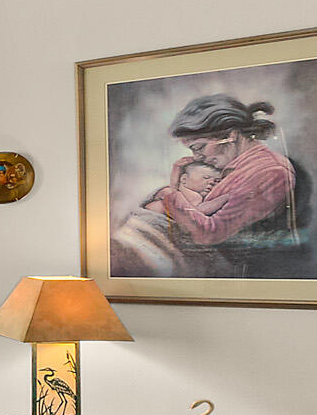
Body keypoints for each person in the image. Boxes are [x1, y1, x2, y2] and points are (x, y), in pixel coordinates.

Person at [111, 94, 298, 278]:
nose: (197, 157)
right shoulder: (231, 166)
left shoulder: (269, 172)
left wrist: (168, 195)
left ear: (231, 135)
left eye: (199, 147)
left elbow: (209, 233)